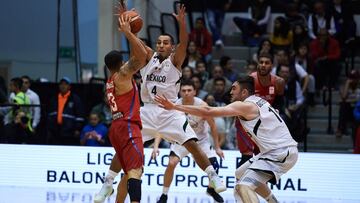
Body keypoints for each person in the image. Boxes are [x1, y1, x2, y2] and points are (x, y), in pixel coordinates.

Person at [95, 5, 226, 203]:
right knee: (124, 148)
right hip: (146, 111)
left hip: (169, 111)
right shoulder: (148, 57)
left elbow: (184, 43)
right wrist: (128, 26)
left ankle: (212, 176)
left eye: (165, 42)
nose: (161, 45)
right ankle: (107, 183)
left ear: (171, 47)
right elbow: (136, 49)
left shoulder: (175, 61)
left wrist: (182, 24)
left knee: (191, 143)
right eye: (159, 42)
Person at [155, 76, 298, 203]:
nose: (231, 92)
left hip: (278, 153)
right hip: (279, 151)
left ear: (244, 93)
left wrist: (174, 106)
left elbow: (209, 112)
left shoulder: (244, 105)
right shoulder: (260, 101)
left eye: (234, 89)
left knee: (243, 186)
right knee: (240, 173)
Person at [98, 13, 148, 203]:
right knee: (136, 171)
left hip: (116, 128)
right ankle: (111, 186)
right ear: (121, 63)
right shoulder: (123, 74)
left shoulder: (110, 80)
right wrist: (128, 33)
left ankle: (108, 184)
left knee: (128, 170)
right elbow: (142, 56)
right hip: (128, 126)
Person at [154, 80, 225, 203]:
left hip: (200, 141)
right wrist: (155, 146)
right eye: (184, 90)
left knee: (214, 166)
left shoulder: (202, 105)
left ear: (194, 92)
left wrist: (217, 147)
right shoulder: (173, 105)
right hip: (181, 141)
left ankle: (211, 189)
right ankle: (164, 195)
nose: (186, 93)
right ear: (180, 92)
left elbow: (213, 126)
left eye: (189, 90)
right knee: (171, 164)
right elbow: (162, 127)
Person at [47, 77, 84, 145]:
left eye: (65, 84)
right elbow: (50, 114)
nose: (63, 86)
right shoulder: (54, 98)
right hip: (55, 131)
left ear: (69, 86)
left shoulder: (75, 99)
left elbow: (80, 115)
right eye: (61, 84)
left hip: (69, 132)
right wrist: (50, 128)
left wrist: (78, 129)